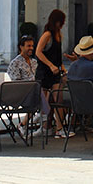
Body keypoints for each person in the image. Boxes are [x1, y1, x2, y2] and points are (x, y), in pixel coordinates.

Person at [35, 9, 71, 137]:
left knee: (58, 99)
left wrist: (62, 67)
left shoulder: (58, 35)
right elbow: (38, 52)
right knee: (44, 100)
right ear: (57, 22)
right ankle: (44, 126)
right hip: (45, 71)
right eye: (62, 21)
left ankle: (59, 128)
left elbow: (57, 56)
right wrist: (50, 65)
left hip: (55, 71)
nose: (63, 24)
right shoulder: (47, 35)